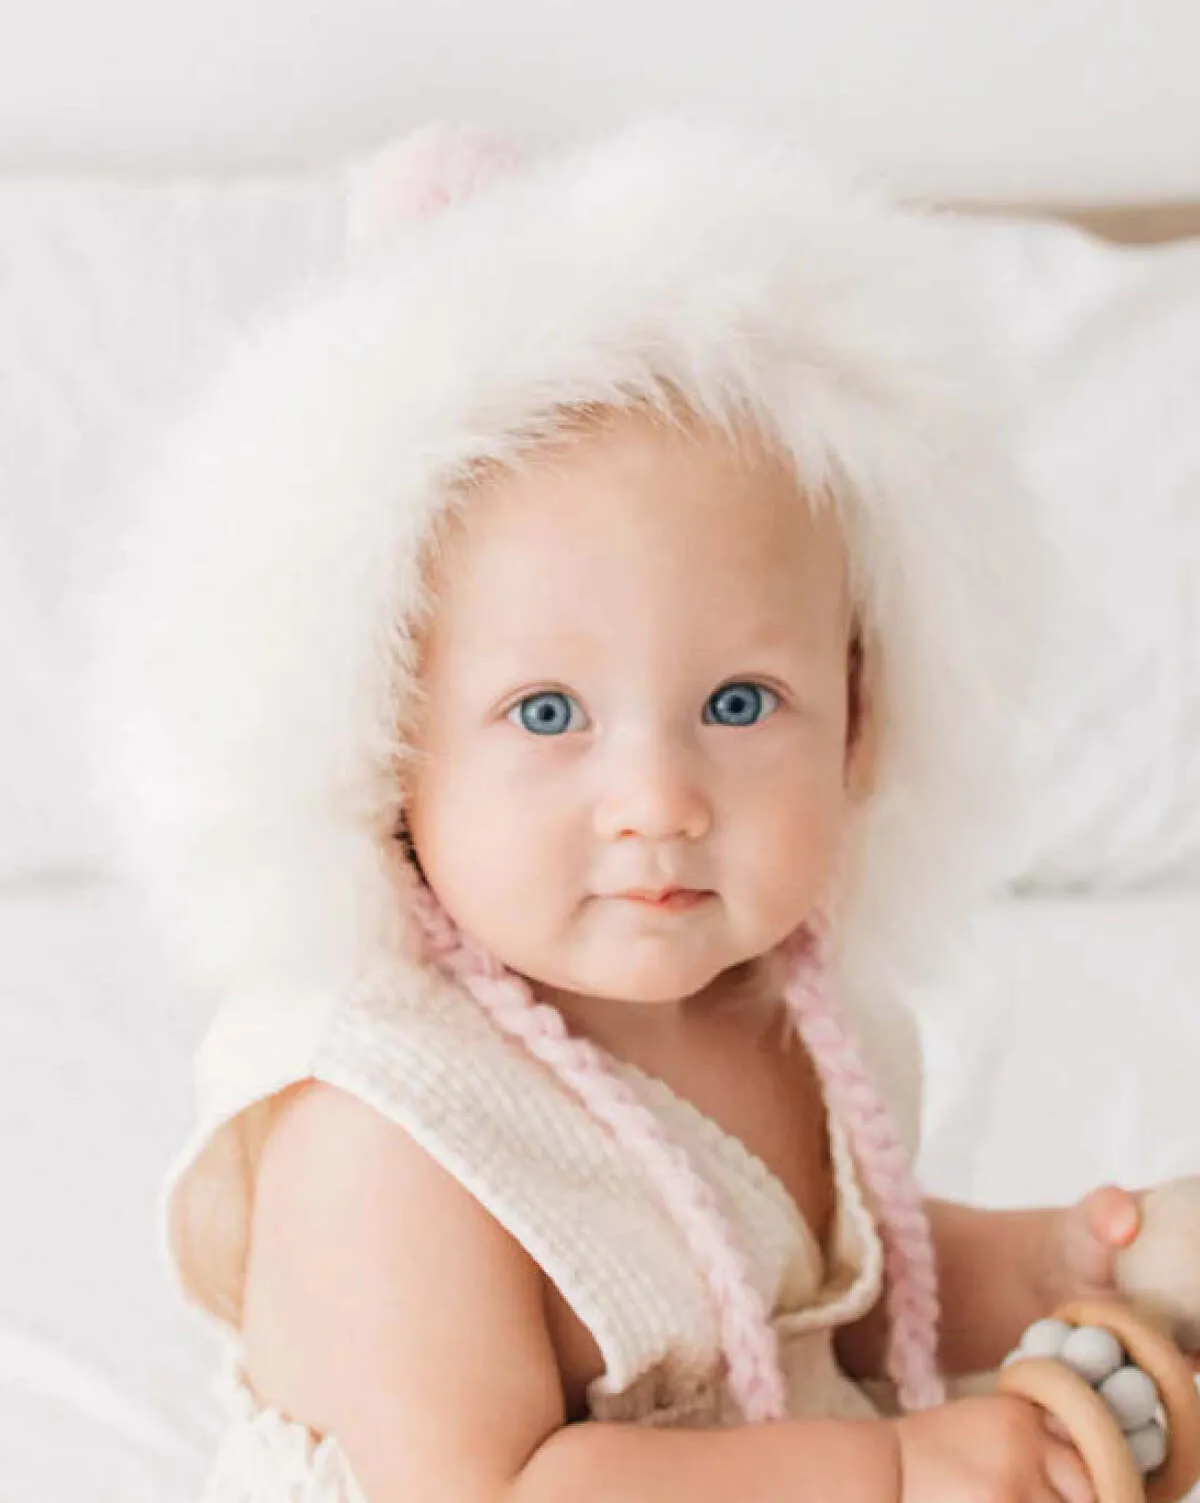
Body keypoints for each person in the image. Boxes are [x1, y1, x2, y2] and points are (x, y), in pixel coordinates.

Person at [82, 116, 1167, 1501]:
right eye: (546, 716)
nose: (658, 803)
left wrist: (1067, 1263)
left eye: (737, 705)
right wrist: (891, 1472)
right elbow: (503, 1488)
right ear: (385, 749)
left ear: (861, 722)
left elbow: (820, 1291)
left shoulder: (788, 1011)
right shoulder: (387, 1132)